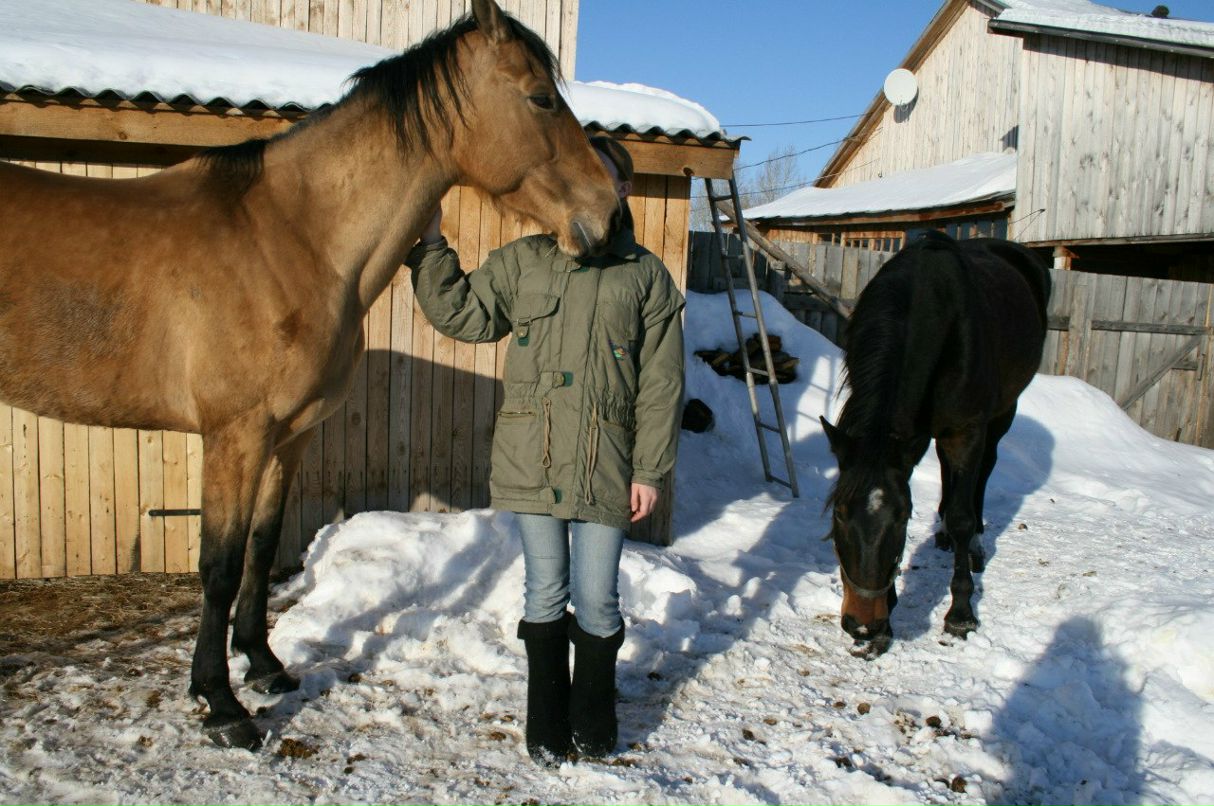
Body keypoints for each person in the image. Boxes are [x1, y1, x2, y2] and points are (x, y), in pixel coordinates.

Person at [405, 136, 685, 766]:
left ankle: (593, 720)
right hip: (533, 455)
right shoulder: (525, 260)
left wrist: (649, 470)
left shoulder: (645, 277)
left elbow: (663, 384)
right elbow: (465, 315)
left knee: (596, 598)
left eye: (605, 174)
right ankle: (546, 726)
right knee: (543, 591)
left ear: (623, 189)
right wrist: (429, 245)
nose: (589, 182)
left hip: (607, 464)